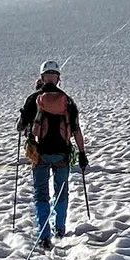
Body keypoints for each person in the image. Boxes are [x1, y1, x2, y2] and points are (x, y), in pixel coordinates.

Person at [18, 60, 86, 246]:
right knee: (61, 192)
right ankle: (60, 228)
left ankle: (44, 235)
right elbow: (76, 130)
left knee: (41, 195)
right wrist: (82, 153)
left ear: (42, 77)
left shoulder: (33, 99)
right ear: (58, 78)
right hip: (62, 154)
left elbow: (20, 126)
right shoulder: (68, 101)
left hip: (39, 153)